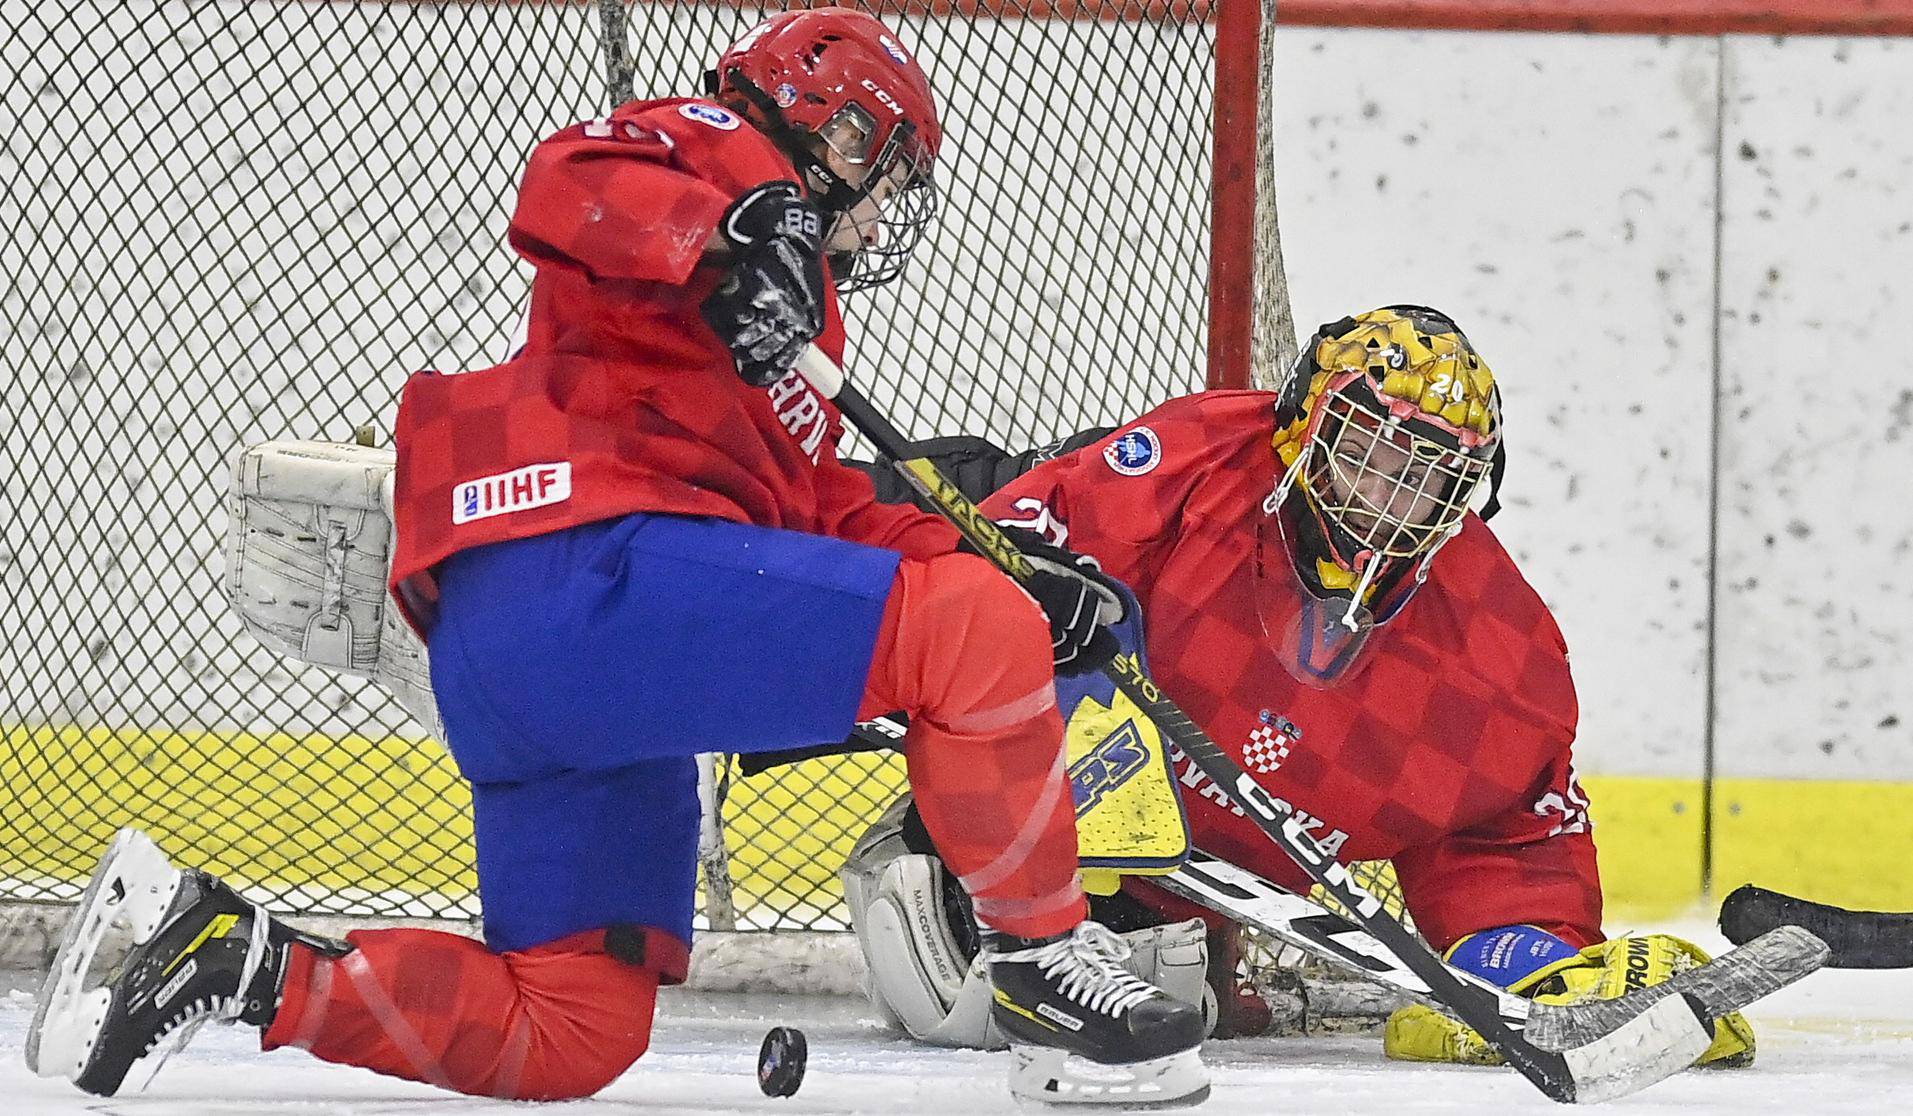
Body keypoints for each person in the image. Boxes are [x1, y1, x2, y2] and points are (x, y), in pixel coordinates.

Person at [27, 10, 1206, 1105]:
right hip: (585, 575)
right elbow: (570, 178)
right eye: (880, 175)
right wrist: (743, 219)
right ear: (836, 128)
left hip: (554, 671)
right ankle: (1046, 973)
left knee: (572, 1030)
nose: (879, 215)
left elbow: (808, 513)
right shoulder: (717, 151)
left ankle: (222, 957)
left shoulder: (786, 319)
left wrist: (1003, 563)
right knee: (965, 631)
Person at [844, 305, 1755, 1068]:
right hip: (1029, 805)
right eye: (1364, 452)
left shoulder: (1497, 656)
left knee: (1154, 1014)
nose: (1383, 495)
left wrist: (1526, 958)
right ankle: (932, 853)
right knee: (956, 980)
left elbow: (1505, 842)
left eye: (1425, 475)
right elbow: (994, 571)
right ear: (1299, 431)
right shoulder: (1194, 462)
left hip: (1170, 900)